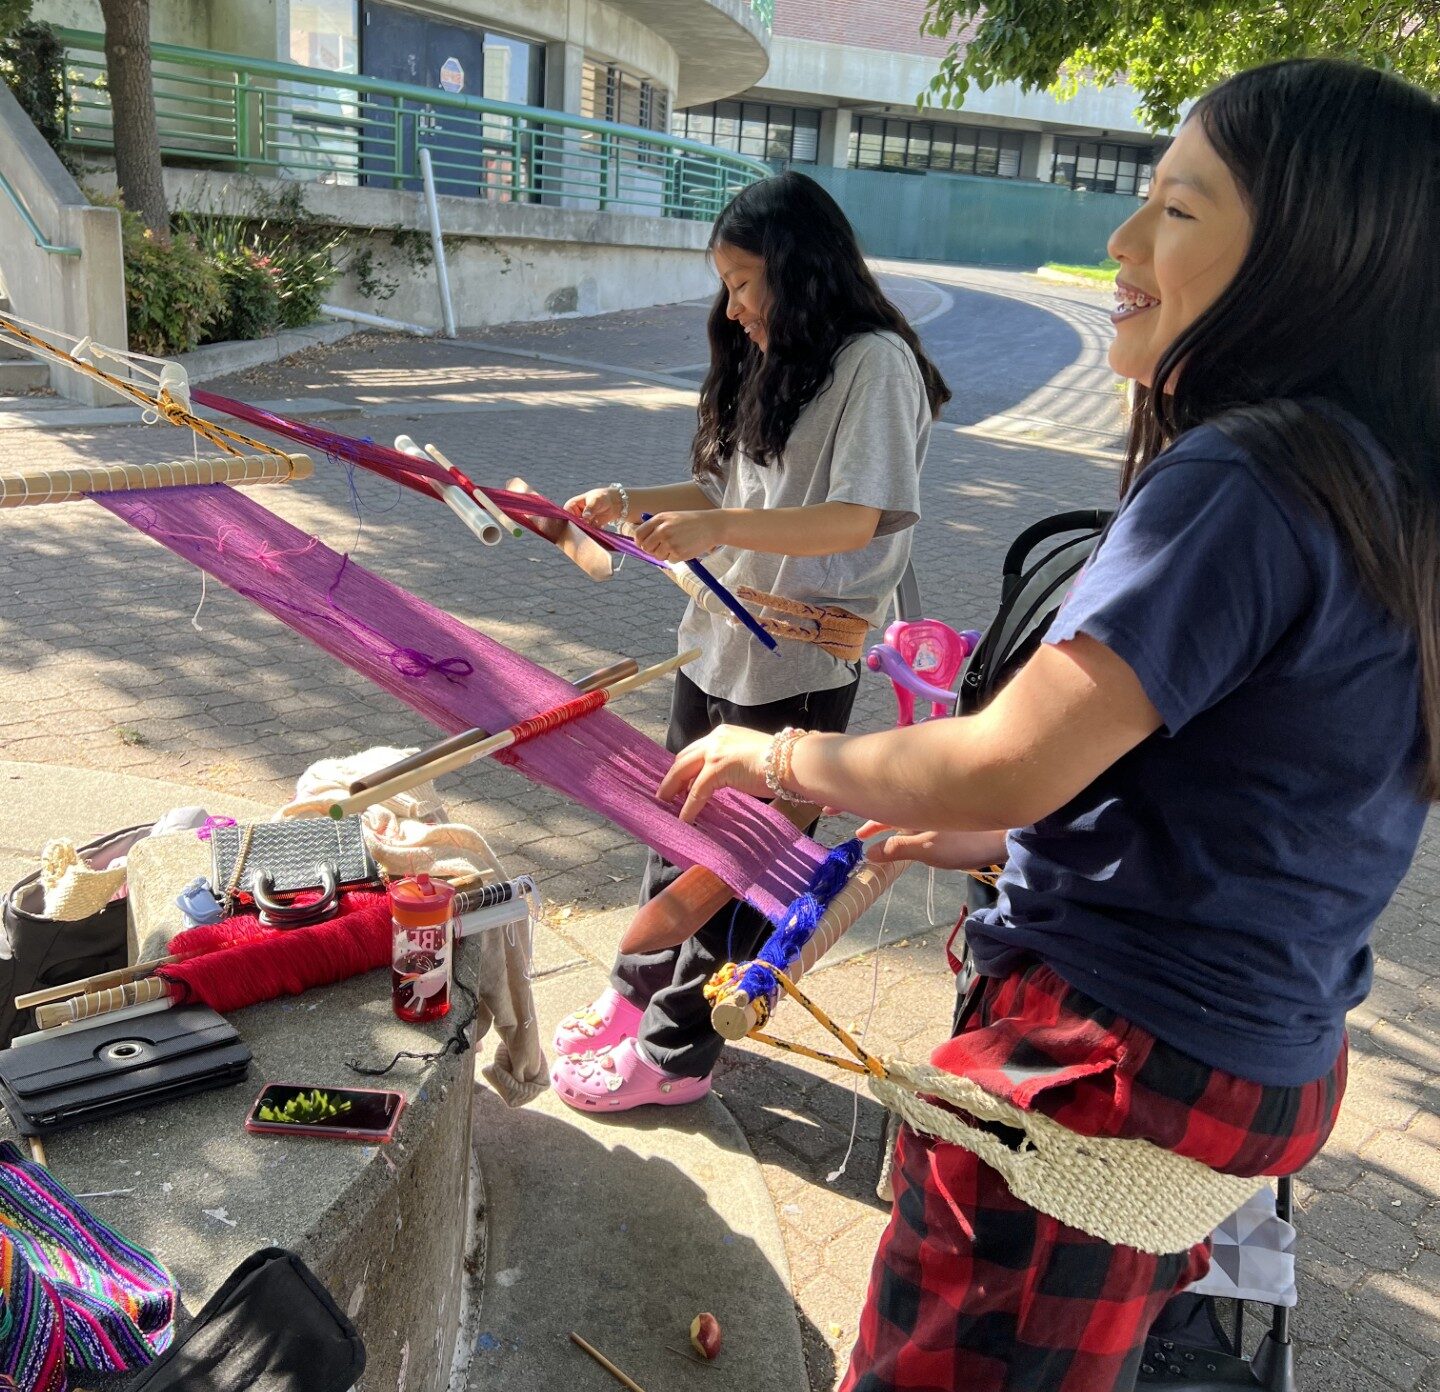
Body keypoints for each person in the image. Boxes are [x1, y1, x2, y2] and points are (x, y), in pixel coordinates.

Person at [656, 59, 1439, 1391]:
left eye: (1179, 212)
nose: (1122, 244)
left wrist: (782, 757)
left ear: (1321, 255)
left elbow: (1015, 753)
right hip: (1258, 1051)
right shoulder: (1381, 492)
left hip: (1109, 1059)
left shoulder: (1246, 477)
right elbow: (1258, 802)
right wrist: (981, 844)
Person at [549, 170, 951, 1112]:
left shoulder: (874, 363)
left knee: (739, 866)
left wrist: (722, 533)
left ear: (800, 271)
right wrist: (632, 501)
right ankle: (635, 991)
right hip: (721, 640)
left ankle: (677, 1054)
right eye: (725, 285)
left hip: (801, 661)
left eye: (742, 283)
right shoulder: (775, 357)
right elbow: (730, 500)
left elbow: (855, 519)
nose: (730, 309)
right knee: (677, 822)